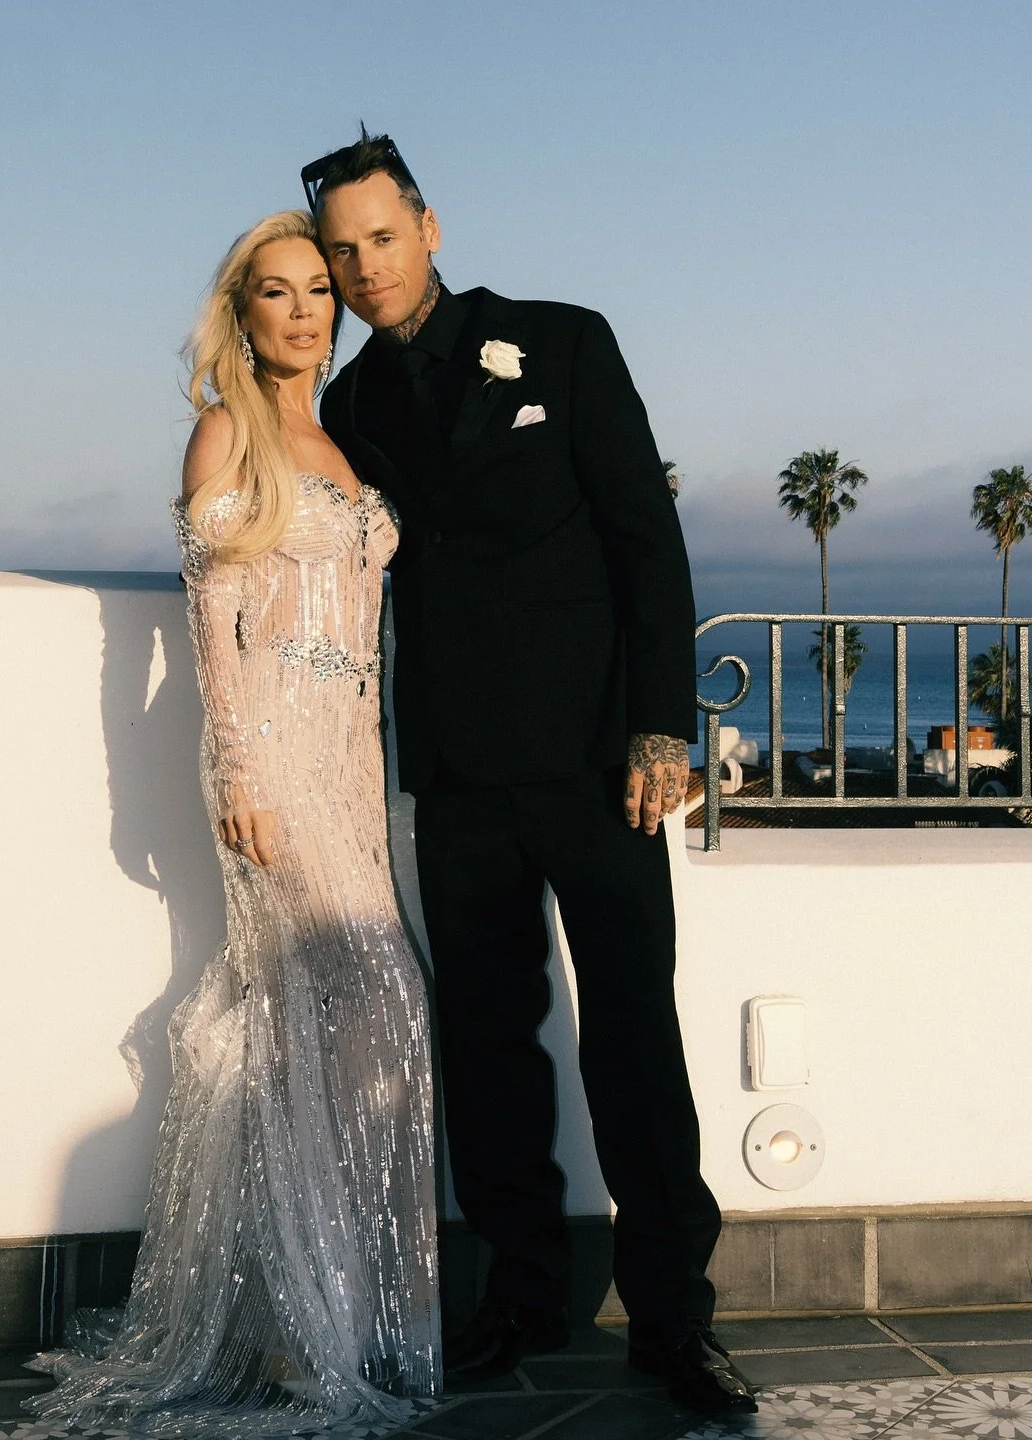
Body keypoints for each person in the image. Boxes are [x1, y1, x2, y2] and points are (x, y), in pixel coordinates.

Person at [307, 131, 757, 1417]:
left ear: (429, 228)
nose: (365, 266)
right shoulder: (350, 407)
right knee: (488, 1045)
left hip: (598, 765)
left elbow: (644, 538)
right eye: (342, 251)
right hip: (456, 775)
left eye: (382, 237)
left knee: (633, 1036)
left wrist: (659, 729)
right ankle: (518, 1298)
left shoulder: (561, 342)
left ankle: (673, 1320)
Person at [25, 210, 440, 1438]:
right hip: (271, 756)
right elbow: (210, 621)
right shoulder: (227, 429)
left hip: (352, 756)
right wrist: (246, 776)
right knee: (371, 1002)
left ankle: (312, 1317)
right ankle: (303, 1321)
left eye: (320, 289)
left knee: (328, 1033)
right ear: (242, 313)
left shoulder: (344, 435)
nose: (306, 310)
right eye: (278, 291)